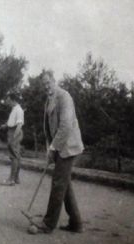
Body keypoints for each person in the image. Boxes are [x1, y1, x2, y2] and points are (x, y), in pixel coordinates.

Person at [30, 71, 84, 234]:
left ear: (54, 80)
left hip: (69, 147)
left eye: (48, 82)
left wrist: (54, 147)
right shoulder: (49, 100)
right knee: (64, 183)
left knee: (58, 183)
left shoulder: (64, 97)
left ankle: (48, 224)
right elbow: (49, 128)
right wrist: (50, 148)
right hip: (59, 146)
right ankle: (76, 223)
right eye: (44, 84)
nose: (46, 86)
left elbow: (66, 126)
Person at [0, 90, 24, 186]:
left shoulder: (18, 110)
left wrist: (14, 137)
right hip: (11, 131)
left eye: (8, 100)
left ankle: (11, 179)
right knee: (16, 156)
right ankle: (16, 178)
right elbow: (11, 123)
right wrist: (3, 126)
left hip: (15, 132)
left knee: (14, 156)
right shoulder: (14, 109)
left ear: (13, 100)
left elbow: (19, 125)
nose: (7, 102)